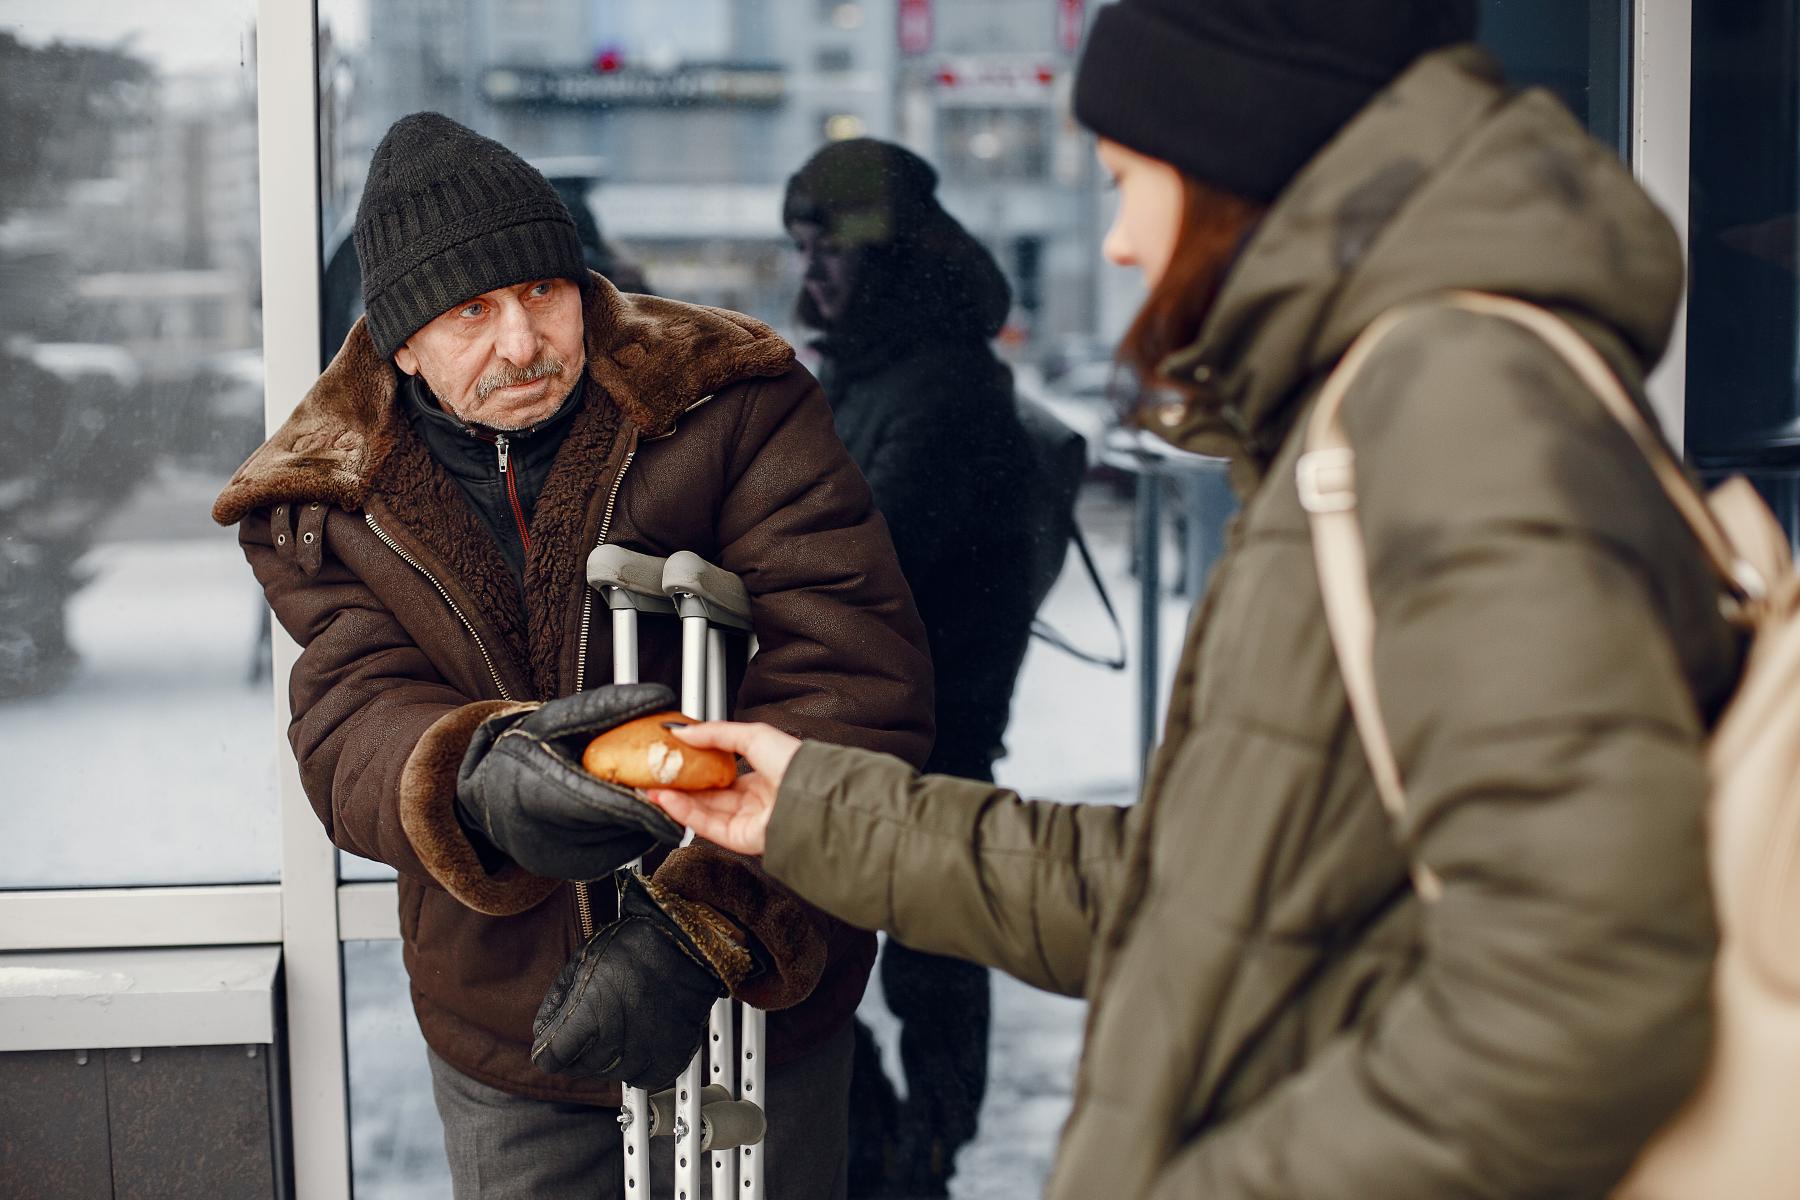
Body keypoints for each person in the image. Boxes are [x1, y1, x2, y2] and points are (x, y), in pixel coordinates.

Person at [647, 2, 1744, 1197]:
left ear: (1237, 161)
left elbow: (1577, 999)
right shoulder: (1376, 413)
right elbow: (1197, 888)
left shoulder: (1450, 412)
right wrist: (807, 809)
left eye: (1127, 179)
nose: (1117, 242)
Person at [212, 112, 933, 1200]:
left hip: (758, 992)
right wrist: (468, 774)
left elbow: (853, 676)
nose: (522, 340)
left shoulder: (730, 400)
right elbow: (348, 714)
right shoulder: (329, 497)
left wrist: (706, 930)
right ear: (402, 341)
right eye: (471, 312)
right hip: (511, 1025)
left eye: (543, 292)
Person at [783, 139, 1039, 1196]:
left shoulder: (939, 383)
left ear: (884, 255)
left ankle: (919, 1154)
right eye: (802, 249)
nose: (813, 274)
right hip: (888, 711)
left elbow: (863, 553)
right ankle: (898, 1146)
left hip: (937, 715)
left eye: (828, 249)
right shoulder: (873, 364)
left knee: (931, 952)